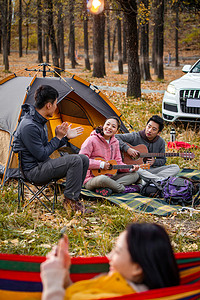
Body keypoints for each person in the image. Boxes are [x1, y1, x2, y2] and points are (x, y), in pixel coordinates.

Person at [40, 223, 180, 300]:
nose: (108, 256)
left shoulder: (124, 295)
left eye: (117, 251)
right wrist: (64, 278)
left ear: (137, 268)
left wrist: (52, 284)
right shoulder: (115, 283)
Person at [13, 85, 89, 213]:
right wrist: (58, 137)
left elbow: (44, 149)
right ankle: (70, 203)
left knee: (83, 159)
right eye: (55, 103)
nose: (56, 107)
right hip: (34, 171)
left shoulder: (37, 121)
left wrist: (65, 138)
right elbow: (42, 155)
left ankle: (74, 197)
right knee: (75, 160)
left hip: (43, 164)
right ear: (48, 105)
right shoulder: (29, 126)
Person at [79, 117, 140, 195]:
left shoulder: (116, 143)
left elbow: (118, 163)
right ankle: (123, 189)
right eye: (107, 124)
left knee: (135, 175)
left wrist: (130, 168)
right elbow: (82, 160)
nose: (109, 128)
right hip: (90, 179)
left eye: (113, 126)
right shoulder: (91, 140)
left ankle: (108, 188)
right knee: (103, 179)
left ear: (116, 131)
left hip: (109, 177)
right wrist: (101, 164)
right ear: (103, 125)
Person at [116, 115, 180, 184]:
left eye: (154, 129)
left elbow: (163, 160)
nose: (149, 130)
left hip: (150, 170)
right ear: (146, 126)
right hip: (137, 170)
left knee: (175, 167)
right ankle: (159, 181)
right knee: (138, 169)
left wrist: (154, 161)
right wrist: (127, 149)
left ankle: (151, 180)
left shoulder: (161, 142)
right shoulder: (135, 136)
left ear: (159, 133)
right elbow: (115, 137)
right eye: (149, 127)